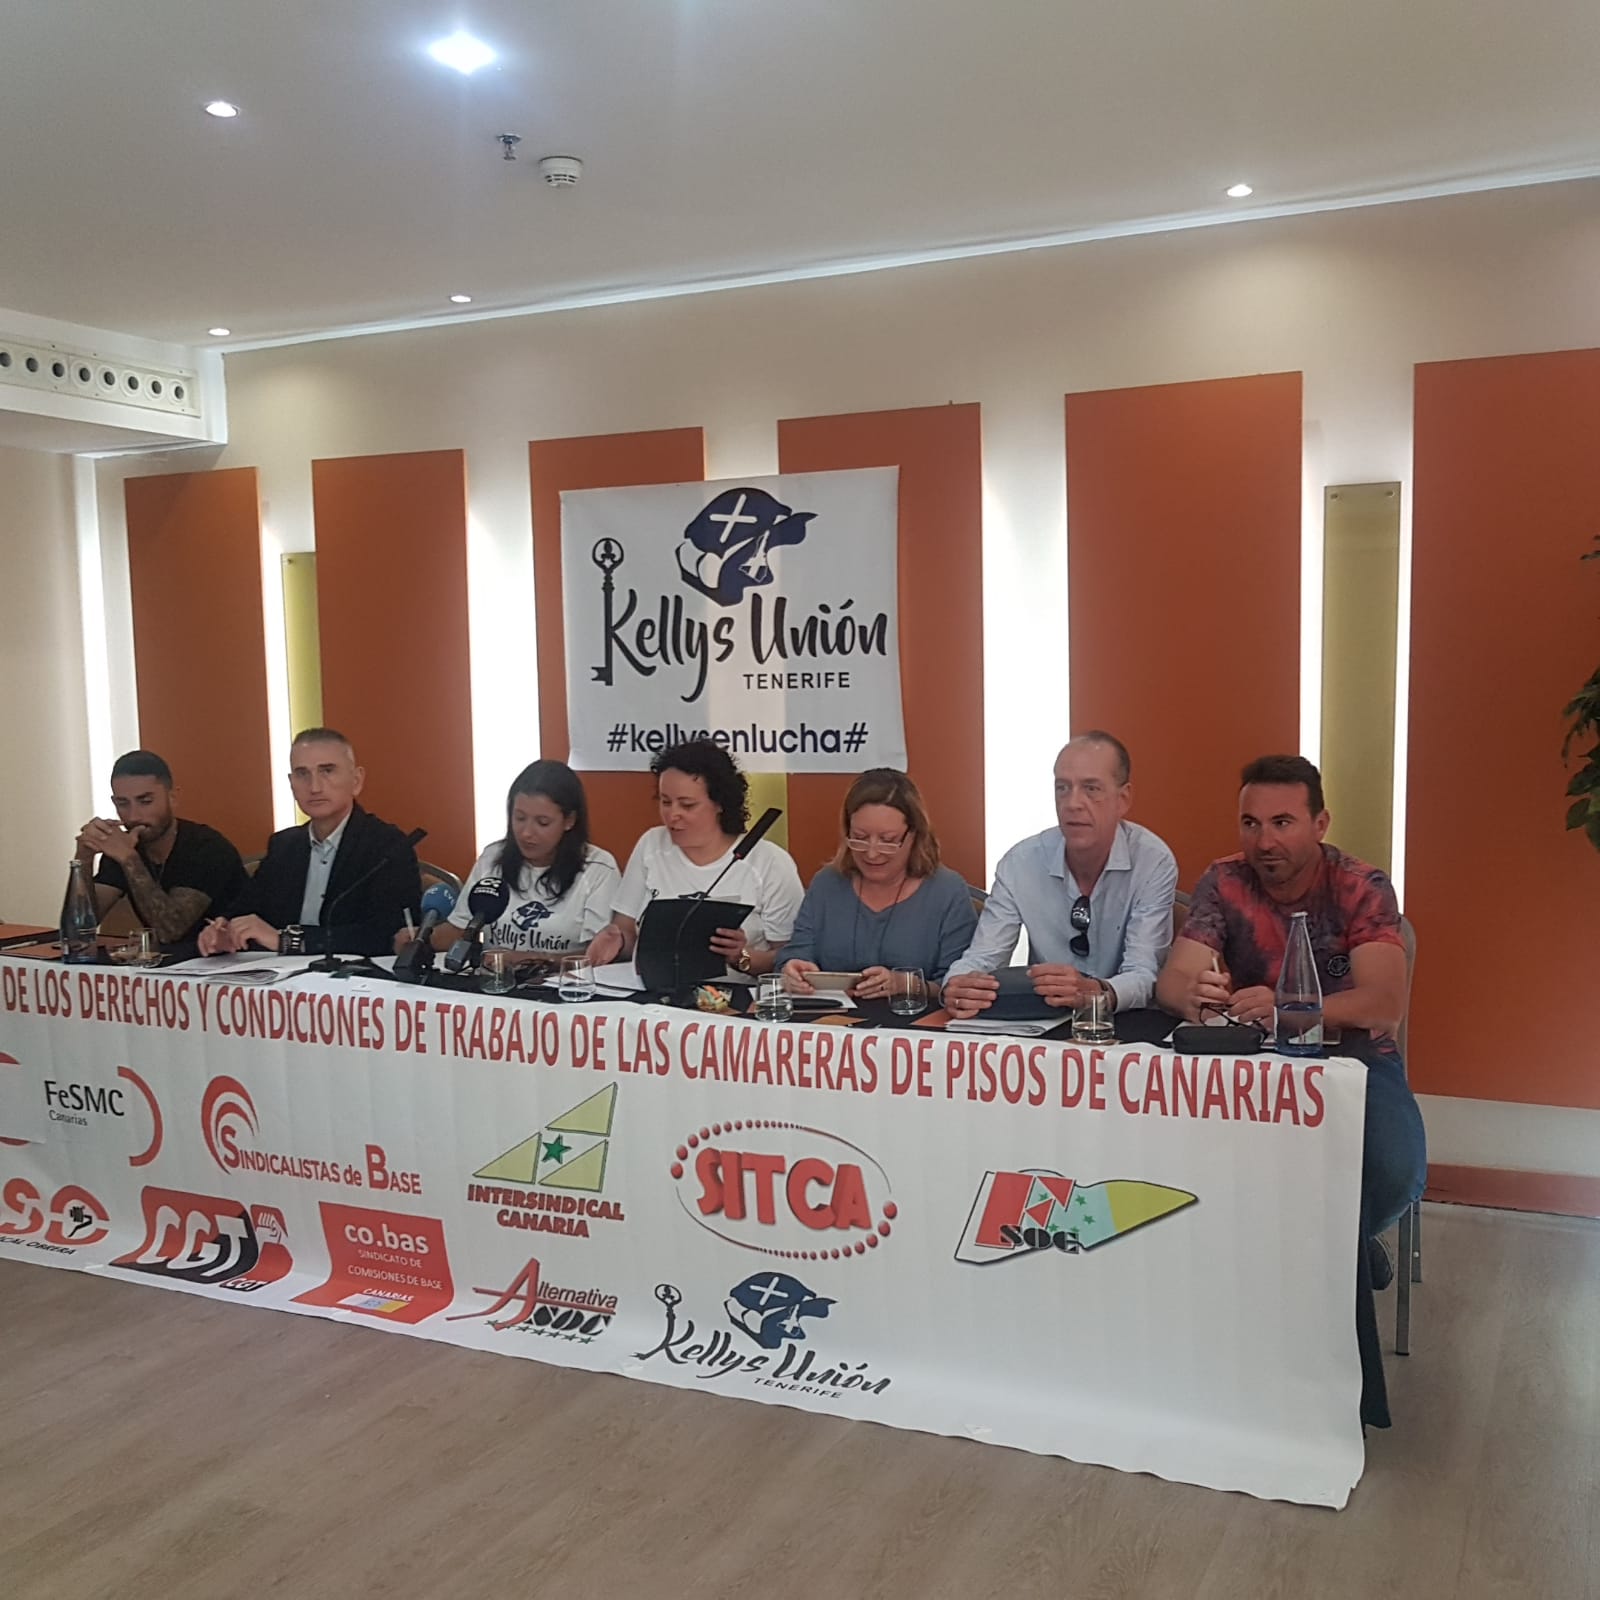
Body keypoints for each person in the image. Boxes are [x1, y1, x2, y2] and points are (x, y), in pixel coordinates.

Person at [1155, 754, 1426, 1268]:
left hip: (1354, 1057)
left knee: (1394, 1168)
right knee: (1174, 1154)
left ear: (1320, 824)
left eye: (1282, 823)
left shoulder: (1359, 886)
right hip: (1249, 1059)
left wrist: (1287, 1010)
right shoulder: (1225, 880)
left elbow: (1384, 1004)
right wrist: (1191, 995)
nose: (1264, 841)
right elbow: (1172, 981)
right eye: (1251, 823)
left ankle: (1337, 1250)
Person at [943, 732, 1178, 1019]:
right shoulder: (1021, 862)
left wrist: (1094, 991)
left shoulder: (1152, 861)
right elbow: (983, 957)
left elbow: (1144, 973)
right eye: (1062, 788)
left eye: (1091, 789)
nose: (1073, 803)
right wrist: (956, 986)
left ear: (1123, 799)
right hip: (1044, 1020)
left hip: (1126, 1021)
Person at [586, 739, 803, 977]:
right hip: (653, 990)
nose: (672, 815)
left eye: (687, 805)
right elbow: (626, 929)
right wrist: (615, 941)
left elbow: (788, 958)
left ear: (720, 803)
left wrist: (742, 956)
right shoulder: (651, 844)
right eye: (665, 802)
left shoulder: (769, 862)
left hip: (733, 994)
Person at [198, 727, 420, 957]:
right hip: (281, 974)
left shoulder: (387, 845)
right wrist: (224, 930)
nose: (314, 787)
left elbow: (390, 934)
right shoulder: (284, 845)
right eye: (302, 774)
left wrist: (288, 940)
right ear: (291, 783)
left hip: (355, 975)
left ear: (356, 780)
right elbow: (246, 909)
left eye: (327, 771)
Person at [776, 768, 977, 1002]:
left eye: (888, 840)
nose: (872, 853)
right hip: (833, 1020)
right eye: (860, 838)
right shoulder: (827, 884)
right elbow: (794, 954)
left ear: (914, 835)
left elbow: (959, 985)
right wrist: (793, 970)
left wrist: (906, 984)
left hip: (913, 1022)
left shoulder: (947, 891)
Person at [395, 761, 619, 958]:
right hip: (494, 984)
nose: (526, 833)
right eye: (519, 818)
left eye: (542, 822)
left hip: (565, 989)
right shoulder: (493, 857)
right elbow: (461, 929)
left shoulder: (599, 869)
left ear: (569, 821)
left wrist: (529, 960)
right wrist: (420, 938)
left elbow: (597, 955)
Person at [72, 749, 246, 954]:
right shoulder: (125, 847)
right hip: (168, 966)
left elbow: (170, 931)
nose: (134, 816)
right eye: (122, 804)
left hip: (233, 961)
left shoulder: (207, 848)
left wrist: (129, 859)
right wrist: (83, 859)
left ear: (172, 797)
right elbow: (79, 928)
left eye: (145, 801)